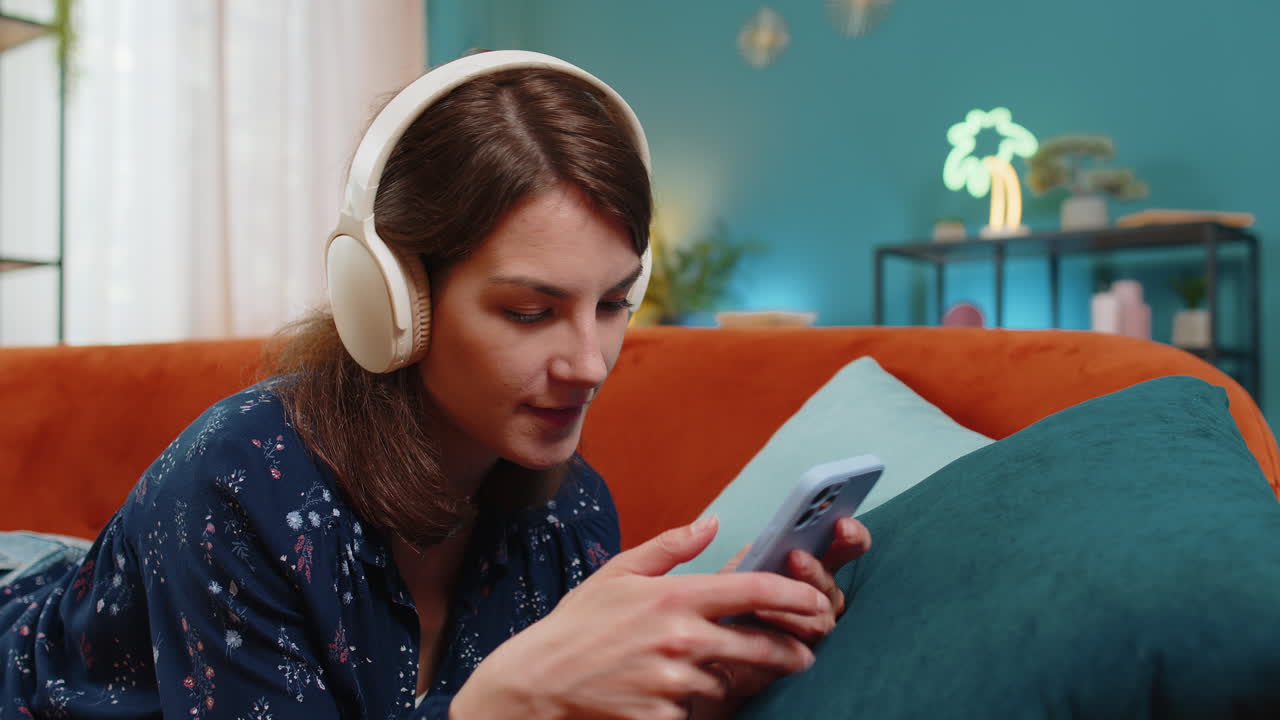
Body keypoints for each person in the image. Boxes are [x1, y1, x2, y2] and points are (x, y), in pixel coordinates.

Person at [0, 50, 870, 719]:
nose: (591, 363)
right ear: (394, 301)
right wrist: (501, 703)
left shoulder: (570, 514)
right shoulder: (237, 486)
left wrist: (703, 681)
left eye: (612, 304)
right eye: (530, 311)